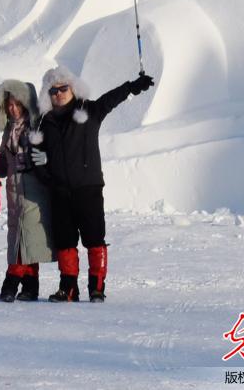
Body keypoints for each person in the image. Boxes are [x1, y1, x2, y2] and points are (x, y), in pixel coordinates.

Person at [32, 66, 154, 303]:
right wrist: (48, 177)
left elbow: (111, 99)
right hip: (59, 192)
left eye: (63, 88)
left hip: (87, 188)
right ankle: (68, 289)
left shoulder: (89, 111)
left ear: (72, 88)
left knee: (94, 239)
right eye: (53, 90)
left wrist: (132, 87)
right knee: (65, 242)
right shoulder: (44, 123)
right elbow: (36, 157)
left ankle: (96, 288)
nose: (58, 93)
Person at [0, 79, 55, 302]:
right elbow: (3, 161)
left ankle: (11, 282)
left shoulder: (37, 127)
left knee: (27, 235)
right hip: (14, 190)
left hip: (34, 189)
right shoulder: (9, 129)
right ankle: (30, 286)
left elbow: (52, 151)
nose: (13, 108)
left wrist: (46, 159)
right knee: (19, 235)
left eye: (18, 104)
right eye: (9, 104)